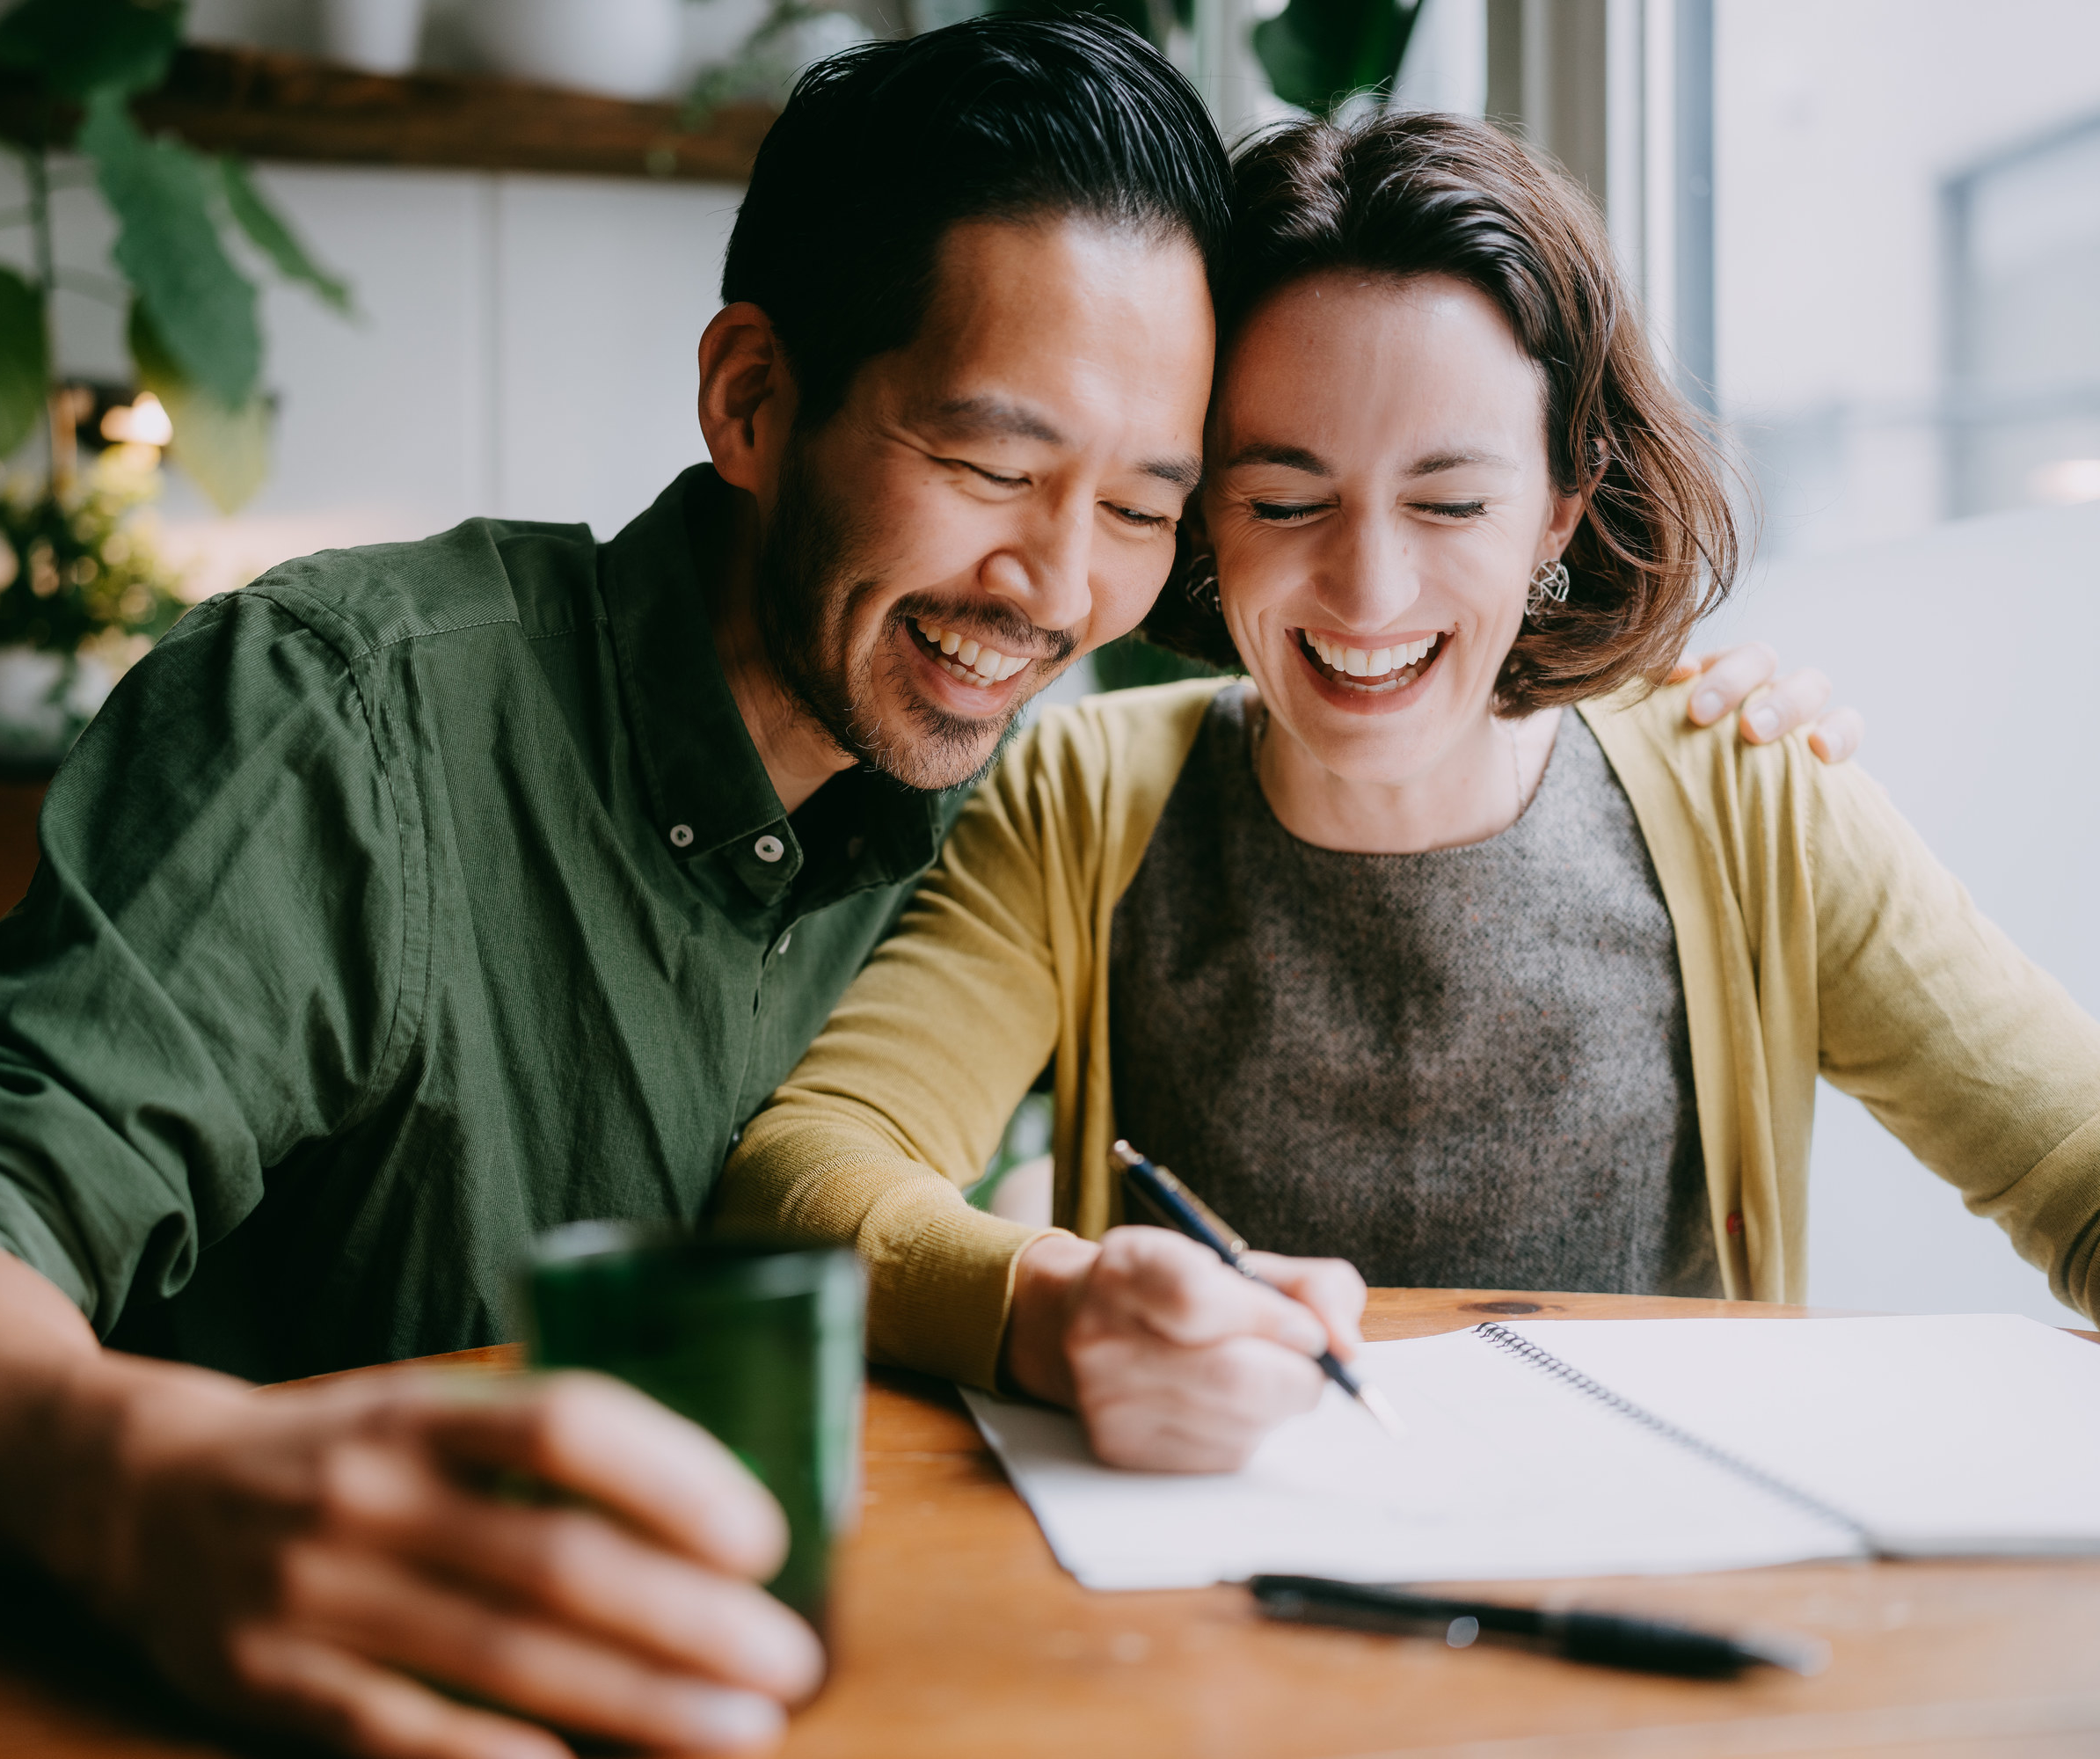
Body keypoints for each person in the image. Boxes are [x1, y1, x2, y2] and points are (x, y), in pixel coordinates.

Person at [0, 23, 1848, 1755]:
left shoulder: (1045, 767)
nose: (1059, 586)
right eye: (988, 463)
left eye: (1144, 504)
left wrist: (1675, 719)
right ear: (753, 398)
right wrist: (145, 1488)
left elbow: (1404, 662)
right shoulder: (353, 716)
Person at [718, 110, 2100, 1480]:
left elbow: (2075, 1164)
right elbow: (811, 1170)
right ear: (1203, 516)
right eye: (1284, 500)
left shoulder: (1750, 793)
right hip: (1216, 1631)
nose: (1368, 594)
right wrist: (1053, 1307)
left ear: (1561, 501)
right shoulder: (1083, 798)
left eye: (1448, 503)